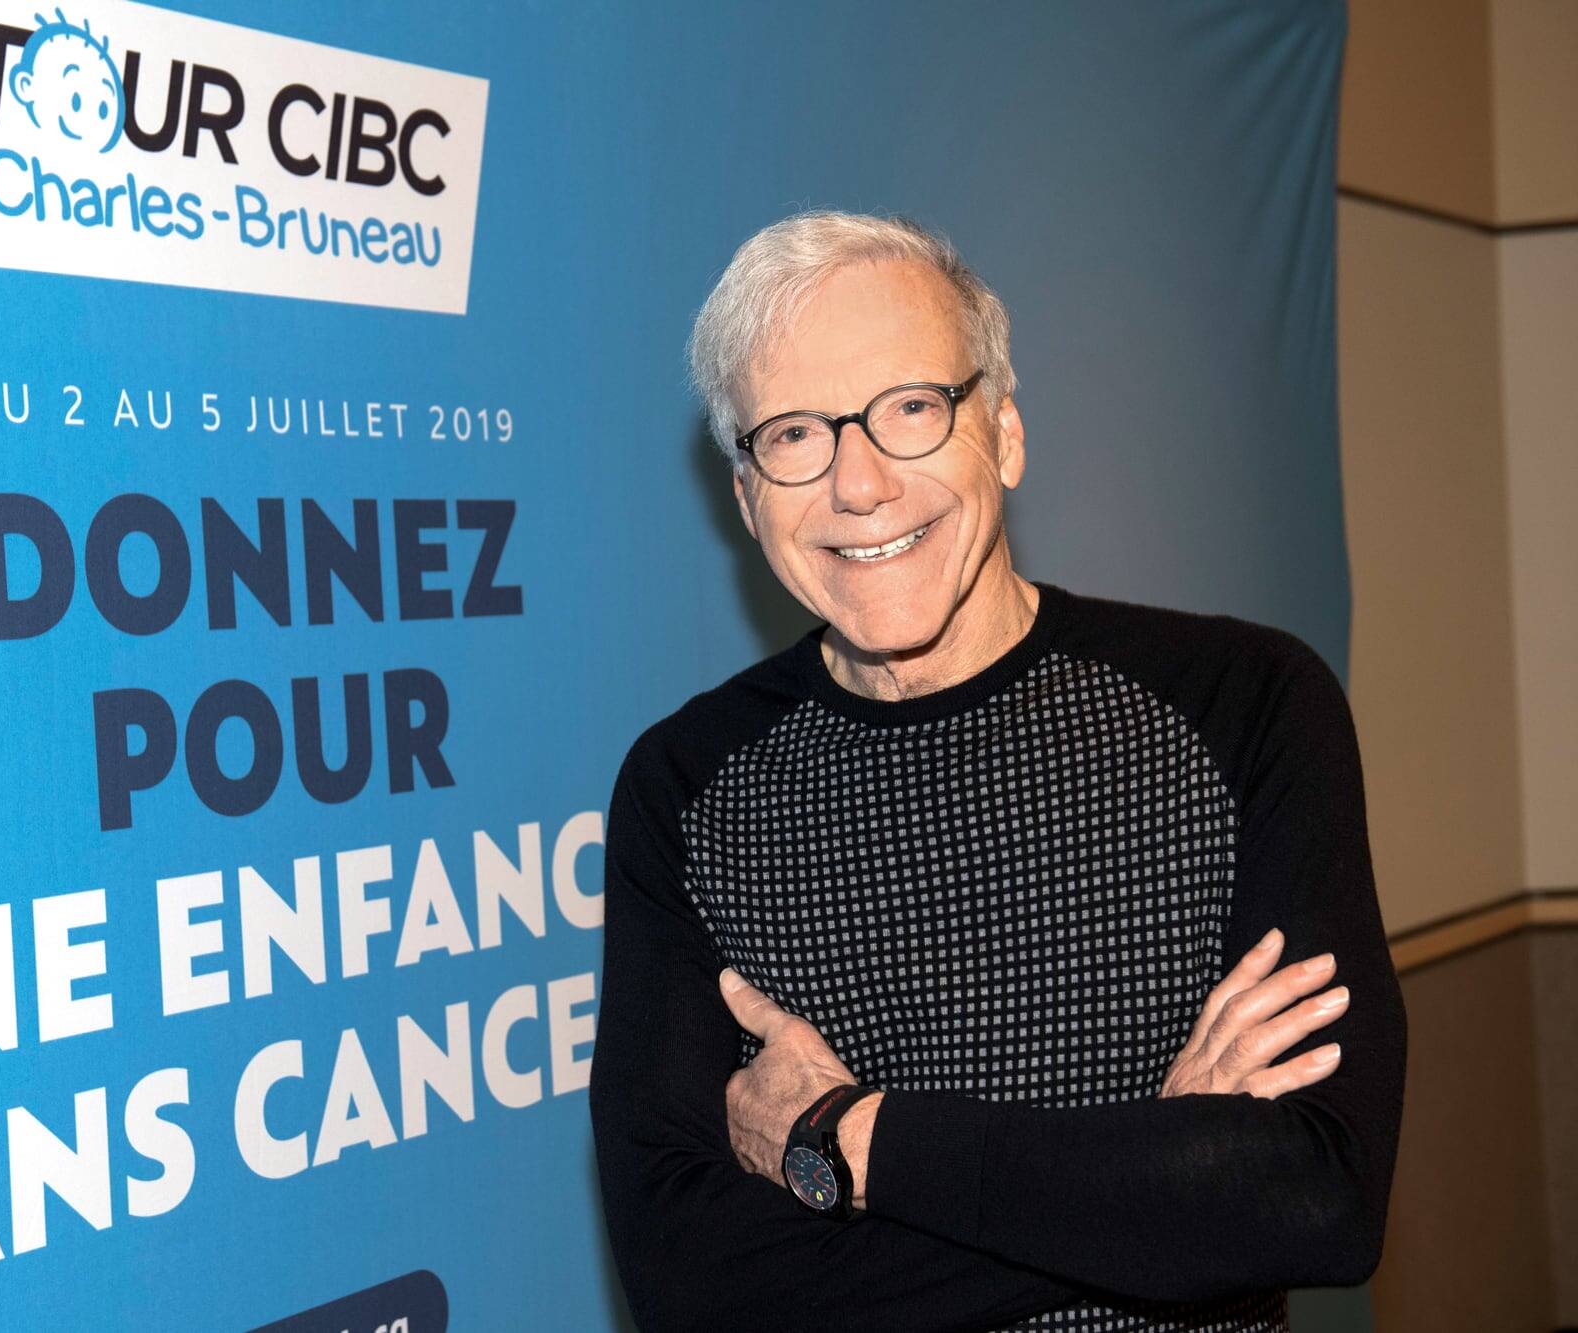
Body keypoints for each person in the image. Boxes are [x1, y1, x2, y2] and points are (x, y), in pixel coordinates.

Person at [588, 210, 1406, 1332]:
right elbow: (689, 1287)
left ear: (1005, 435)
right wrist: (1155, 1181)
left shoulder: (1244, 702)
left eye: (911, 408)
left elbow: (1315, 1197)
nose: (859, 483)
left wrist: (848, 1138)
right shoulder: (683, 787)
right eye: (793, 434)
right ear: (745, 498)